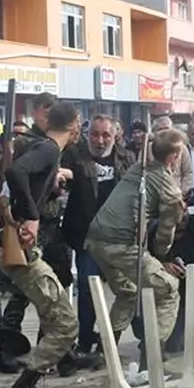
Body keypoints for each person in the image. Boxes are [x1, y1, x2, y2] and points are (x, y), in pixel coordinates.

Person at [0, 101, 84, 388]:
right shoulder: (50, 149)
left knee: (53, 313)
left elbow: (10, 175)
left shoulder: (42, 148)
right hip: (22, 247)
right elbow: (16, 172)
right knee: (66, 324)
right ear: (74, 126)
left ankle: (42, 373)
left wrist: (46, 192)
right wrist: (31, 215)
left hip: (21, 245)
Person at [86, 129, 186, 367]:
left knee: (128, 293)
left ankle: (104, 349)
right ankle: (153, 354)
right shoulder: (170, 190)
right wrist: (162, 257)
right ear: (173, 157)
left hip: (96, 239)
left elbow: (149, 156)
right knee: (169, 288)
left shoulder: (136, 170)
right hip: (122, 244)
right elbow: (165, 231)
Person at [62, 114, 133, 353]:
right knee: (87, 288)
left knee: (129, 289)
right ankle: (84, 340)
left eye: (106, 135)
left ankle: (115, 339)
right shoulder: (74, 155)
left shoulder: (126, 157)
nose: (100, 140)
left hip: (117, 237)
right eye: (95, 134)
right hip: (87, 236)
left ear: (115, 135)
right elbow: (64, 180)